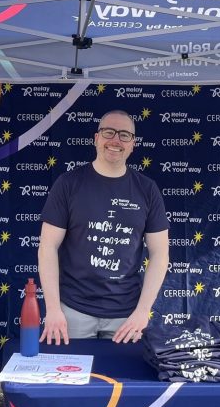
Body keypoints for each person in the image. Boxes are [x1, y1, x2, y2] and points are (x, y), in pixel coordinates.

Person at [38, 110, 169, 344]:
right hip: (72, 313)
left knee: (122, 381)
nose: (115, 140)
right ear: (96, 138)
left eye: (124, 135)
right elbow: (47, 246)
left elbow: (160, 254)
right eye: (109, 132)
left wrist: (142, 311)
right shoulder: (68, 184)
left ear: (132, 145)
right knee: (68, 378)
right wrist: (53, 309)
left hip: (126, 317)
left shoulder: (147, 190)